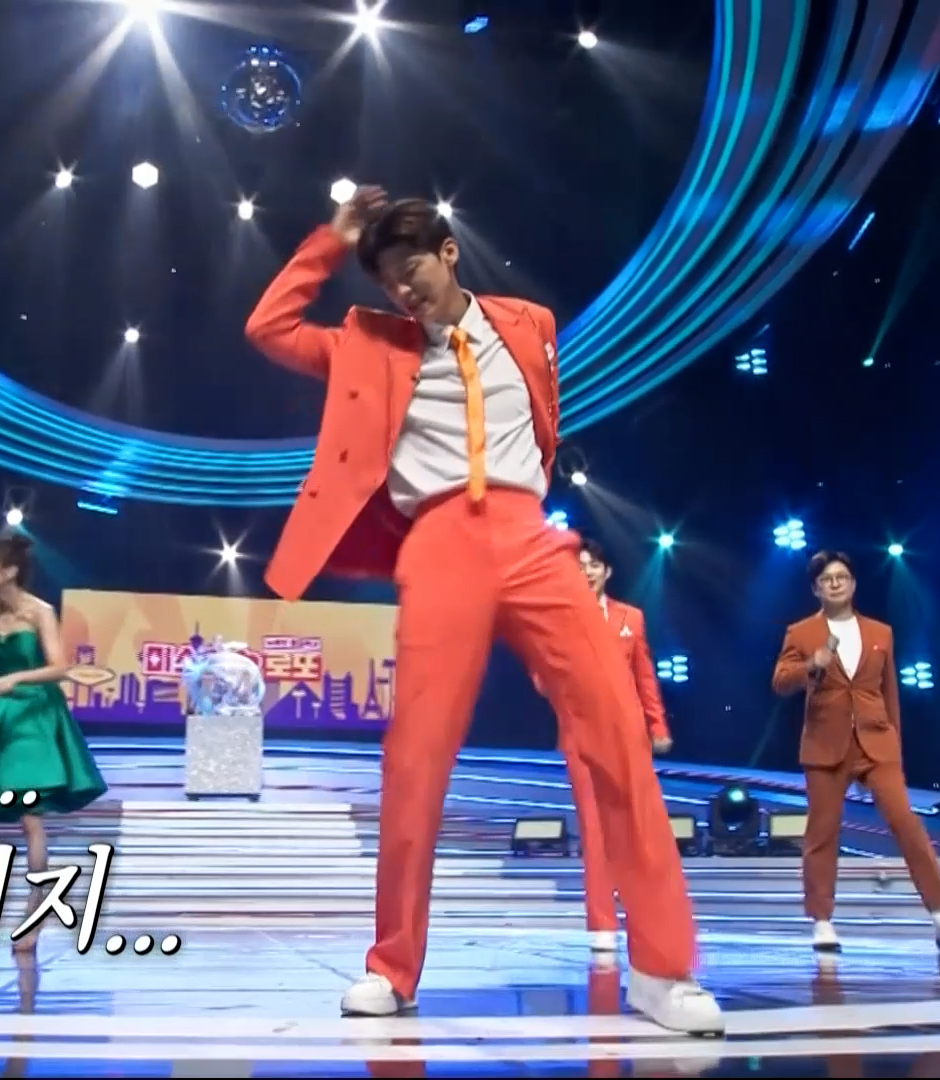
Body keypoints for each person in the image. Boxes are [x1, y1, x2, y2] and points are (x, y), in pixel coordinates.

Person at [243, 189, 720, 1034]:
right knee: (417, 758)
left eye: (413, 270)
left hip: (531, 536)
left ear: (449, 252)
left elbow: (543, 421)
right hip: (439, 541)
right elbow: (268, 328)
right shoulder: (368, 344)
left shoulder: (530, 325)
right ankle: (392, 968)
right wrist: (331, 240)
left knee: (617, 735)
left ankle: (662, 969)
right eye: (389, 280)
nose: (404, 291)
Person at [771, 550, 940, 953]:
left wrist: (894, 745)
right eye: (826, 579)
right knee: (822, 833)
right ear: (816, 589)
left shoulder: (881, 632)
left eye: (841, 577)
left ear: (853, 584)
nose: (835, 584)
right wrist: (811, 664)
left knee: (906, 823)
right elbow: (780, 682)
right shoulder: (801, 632)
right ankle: (822, 921)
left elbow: (889, 693)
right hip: (825, 744)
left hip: (876, 742)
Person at [0, 532, 106, 952]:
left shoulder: (40, 611)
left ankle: (34, 913)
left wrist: (16, 678)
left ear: (9, 571)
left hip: (32, 716)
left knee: (30, 819)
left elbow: (60, 668)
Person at [570, 538, 672, 952]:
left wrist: (657, 725)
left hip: (629, 734)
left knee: (631, 827)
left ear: (607, 571)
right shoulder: (560, 617)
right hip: (582, 733)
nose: (587, 572)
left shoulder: (631, 617)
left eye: (594, 565)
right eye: (580, 565)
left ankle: (641, 914)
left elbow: (644, 677)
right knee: (595, 827)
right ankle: (601, 923)